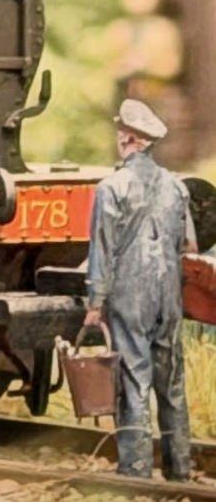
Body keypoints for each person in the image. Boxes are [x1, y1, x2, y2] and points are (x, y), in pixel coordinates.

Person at [84, 98, 192, 481]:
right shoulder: (177, 187)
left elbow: (102, 250)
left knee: (133, 378)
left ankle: (136, 470)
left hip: (129, 294)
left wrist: (95, 302)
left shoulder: (110, 188)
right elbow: (187, 246)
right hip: (169, 293)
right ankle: (180, 466)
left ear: (128, 139)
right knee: (172, 382)